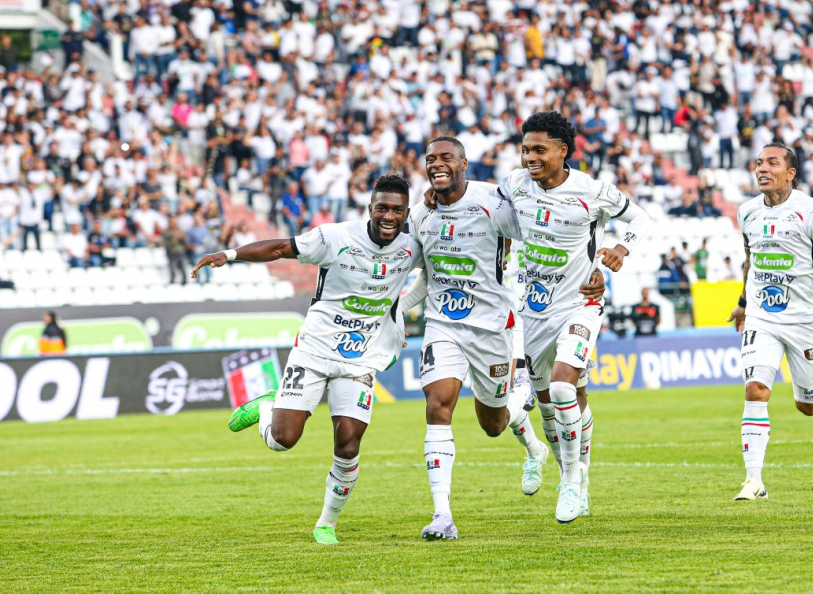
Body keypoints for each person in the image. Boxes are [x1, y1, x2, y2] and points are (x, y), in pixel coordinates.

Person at [191, 175, 421, 545]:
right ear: (370, 208)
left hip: (360, 357)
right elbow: (280, 248)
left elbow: (434, 273)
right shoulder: (336, 238)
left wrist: (399, 313)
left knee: (349, 443)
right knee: (283, 440)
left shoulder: (413, 246)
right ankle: (267, 406)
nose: (389, 216)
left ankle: (326, 524)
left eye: (397, 210)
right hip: (314, 348)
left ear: (407, 213)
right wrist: (230, 255)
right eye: (382, 208)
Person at [400, 137, 607, 540]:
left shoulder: (494, 201)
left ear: (463, 163)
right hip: (442, 324)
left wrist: (593, 271)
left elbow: (543, 234)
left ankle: (533, 444)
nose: (437, 164)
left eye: (446, 157)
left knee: (493, 424)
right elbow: (425, 275)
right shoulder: (422, 213)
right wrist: (395, 309)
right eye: (430, 159)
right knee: (437, 404)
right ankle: (442, 515)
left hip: (493, 326)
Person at [497, 111, 652, 523]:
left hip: (581, 303)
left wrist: (620, 250)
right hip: (533, 310)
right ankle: (577, 479)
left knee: (564, 388)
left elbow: (640, 217)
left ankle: (570, 480)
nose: (530, 157)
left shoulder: (592, 190)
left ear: (562, 151)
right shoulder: (514, 185)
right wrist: (436, 196)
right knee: (554, 407)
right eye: (525, 150)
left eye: (539, 150)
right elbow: (481, 208)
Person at [726, 143, 813, 502]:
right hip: (762, 317)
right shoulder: (747, 212)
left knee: (807, 406)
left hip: (804, 321)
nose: (762, 168)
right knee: (755, 389)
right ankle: (754, 481)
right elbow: (751, 260)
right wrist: (743, 303)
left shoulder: (811, 211)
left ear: (790, 173)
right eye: (759, 163)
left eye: (772, 163)